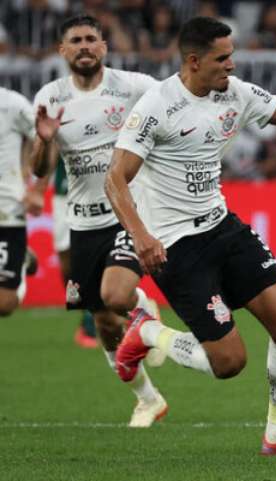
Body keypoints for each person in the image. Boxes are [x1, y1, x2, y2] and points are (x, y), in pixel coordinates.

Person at [106, 16, 276, 456]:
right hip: (176, 246)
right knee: (229, 363)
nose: (233, 64)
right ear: (193, 61)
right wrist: (140, 236)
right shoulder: (156, 106)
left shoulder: (237, 93)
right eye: (223, 58)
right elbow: (116, 177)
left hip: (223, 227)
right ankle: (147, 333)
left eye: (232, 55)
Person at [30, 14, 166, 428]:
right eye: (76, 40)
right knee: (103, 321)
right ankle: (148, 398)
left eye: (92, 39)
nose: (85, 46)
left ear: (104, 46)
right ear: (63, 50)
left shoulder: (135, 87)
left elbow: (172, 116)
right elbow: (40, 169)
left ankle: (142, 306)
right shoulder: (51, 98)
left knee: (116, 296)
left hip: (127, 210)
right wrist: (45, 139)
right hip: (82, 220)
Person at [0, 86, 41, 316]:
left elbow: (44, 138)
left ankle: (22, 258)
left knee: (4, 305)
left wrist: (31, 178)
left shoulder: (13, 104)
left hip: (6, 210)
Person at [52, 157, 98, 348]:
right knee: (66, 257)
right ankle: (84, 308)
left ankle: (91, 317)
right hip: (64, 191)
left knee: (97, 252)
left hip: (97, 188)